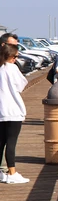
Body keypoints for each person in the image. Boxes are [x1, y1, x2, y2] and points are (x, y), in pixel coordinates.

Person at [0, 43, 30, 183]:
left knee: (1, 142)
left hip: (1, 111)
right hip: (13, 110)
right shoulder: (12, 68)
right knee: (11, 142)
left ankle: (1, 173)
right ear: (10, 56)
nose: (16, 59)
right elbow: (21, 85)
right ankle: (12, 173)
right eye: (16, 56)